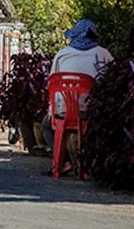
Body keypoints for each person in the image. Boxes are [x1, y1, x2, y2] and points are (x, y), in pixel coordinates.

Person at [41, 20, 114, 159]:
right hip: (93, 111)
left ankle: (65, 161)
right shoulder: (104, 54)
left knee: (46, 126)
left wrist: (51, 111)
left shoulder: (62, 54)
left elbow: (52, 82)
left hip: (64, 111)